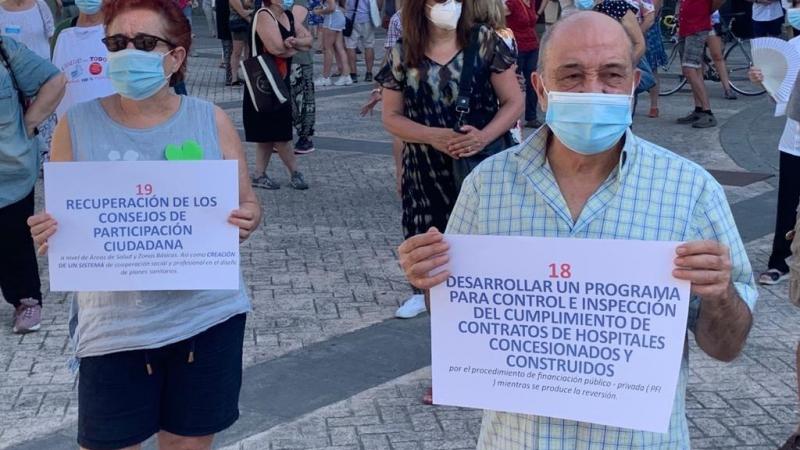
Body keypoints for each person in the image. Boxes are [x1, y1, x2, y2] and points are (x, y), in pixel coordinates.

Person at [398, 11, 757, 448]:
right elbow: (459, 315)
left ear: (632, 84)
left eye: (611, 74)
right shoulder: (486, 187)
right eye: (571, 75)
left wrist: (719, 295)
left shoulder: (691, 190)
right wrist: (430, 280)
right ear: (540, 89)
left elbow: (727, 346)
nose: (593, 90)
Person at [26, 0, 260, 448]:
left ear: (176, 57)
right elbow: (62, 217)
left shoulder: (210, 120)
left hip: (205, 317)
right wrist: (50, 231)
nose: (127, 52)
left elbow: (248, 203)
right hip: (114, 329)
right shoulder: (75, 126)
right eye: (116, 43)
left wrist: (248, 217)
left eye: (145, 43)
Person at [377, 0, 523, 403]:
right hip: (426, 173)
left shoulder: (487, 43)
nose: (447, 4)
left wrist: (483, 135)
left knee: (490, 266)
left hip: (481, 172)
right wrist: (431, 136)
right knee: (434, 267)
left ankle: (499, 361)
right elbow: (391, 117)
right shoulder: (403, 51)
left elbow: (514, 102)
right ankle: (449, 367)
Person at [0, 36, 64, 334]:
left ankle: (26, 301)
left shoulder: (5, 49)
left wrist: (28, 124)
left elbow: (54, 80)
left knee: (13, 236)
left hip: (9, 169)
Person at [246, 0, 311, 190]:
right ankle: (295, 173)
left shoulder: (288, 16)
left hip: (279, 81)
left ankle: (259, 174)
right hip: (264, 83)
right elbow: (276, 49)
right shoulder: (264, 15)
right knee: (280, 132)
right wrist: (297, 47)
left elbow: (308, 40)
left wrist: (296, 42)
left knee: (268, 133)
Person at [0, 0, 57, 161]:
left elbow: (51, 37)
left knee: (45, 127)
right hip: (12, 84)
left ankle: (47, 165)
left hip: (43, 82)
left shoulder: (40, 6)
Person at [51, 0, 115, 119]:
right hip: (69, 125)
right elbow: (54, 79)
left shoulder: (119, 27)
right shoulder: (62, 31)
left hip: (112, 123)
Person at [675, 0, 716, 128]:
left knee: (689, 68)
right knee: (694, 69)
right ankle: (699, 109)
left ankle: (707, 111)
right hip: (687, 25)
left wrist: (706, 10)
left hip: (697, 26)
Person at [505, 0, 541, 129]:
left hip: (532, 45)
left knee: (532, 82)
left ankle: (531, 117)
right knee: (514, 83)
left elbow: (533, 20)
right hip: (517, 47)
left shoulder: (531, 2)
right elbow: (497, 16)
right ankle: (510, 118)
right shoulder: (512, 3)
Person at [291, 0, 317, 154]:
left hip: (298, 60)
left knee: (302, 101)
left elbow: (291, 23)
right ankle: (280, 138)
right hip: (281, 58)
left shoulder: (299, 2)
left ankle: (305, 138)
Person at [313, 0, 352, 86]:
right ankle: (346, 75)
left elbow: (332, 7)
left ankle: (326, 77)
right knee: (340, 48)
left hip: (332, 20)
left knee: (327, 49)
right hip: (338, 18)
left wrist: (319, 11)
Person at [644, 0, 667, 117]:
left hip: (649, 32)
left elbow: (653, 14)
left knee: (652, 69)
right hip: (635, 29)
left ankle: (654, 106)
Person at [345, 0, 376, 82]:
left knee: (350, 46)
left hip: (351, 18)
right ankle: (369, 73)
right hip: (367, 18)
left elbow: (343, 3)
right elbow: (378, 5)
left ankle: (353, 74)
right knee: (369, 45)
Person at [708, 11, 737, 100]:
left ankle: (727, 89)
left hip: (710, 21)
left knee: (718, 56)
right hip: (693, 22)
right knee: (696, 57)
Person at [229, 0, 253, 86]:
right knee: (237, 52)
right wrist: (253, 12)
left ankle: (248, 75)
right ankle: (234, 77)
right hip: (238, 24)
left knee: (249, 51)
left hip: (248, 24)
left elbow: (248, 5)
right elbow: (242, 12)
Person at [216, 0, 234, 85]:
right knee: (229, 50)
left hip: (225, 22)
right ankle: (230, 77)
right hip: (228, 22)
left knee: (228, 50)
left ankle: (231, 76)